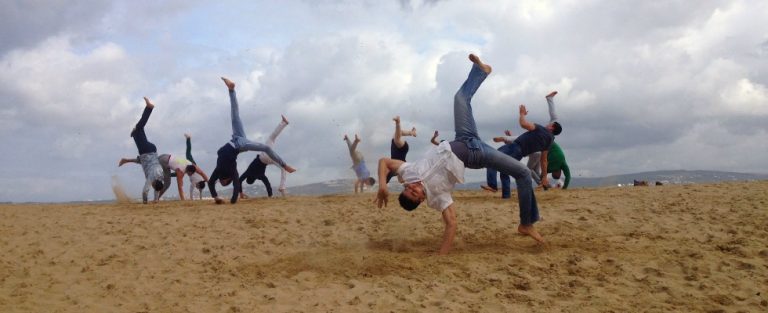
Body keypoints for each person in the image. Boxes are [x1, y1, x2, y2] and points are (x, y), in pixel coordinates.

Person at [375, 54, 544, 255]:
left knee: (460, 98)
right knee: (524, 173)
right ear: (421, 200)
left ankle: (481, 71)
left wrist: (383, 186)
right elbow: (451, 224)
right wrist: (441, 255)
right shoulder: (437, 197)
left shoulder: (408, 173)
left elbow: (384, 162)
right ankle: (526, 224)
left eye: (408, 189)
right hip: (477, 155)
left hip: (464, 137)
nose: (412, 188)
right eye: (414, 193)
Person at [208, 77, 296, 204]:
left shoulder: (226, 171)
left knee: (265, 147)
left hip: (238, 144)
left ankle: (284, 165)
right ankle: (231, 90)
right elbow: (226, 184)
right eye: (223, 183)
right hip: (236, 141)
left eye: (222, 183)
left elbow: (233, 184)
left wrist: (224, 199)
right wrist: (218, 197)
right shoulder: (223, 170)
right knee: (235, 115)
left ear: (226, 180)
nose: (221, 183)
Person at [482, 91, 562, 198]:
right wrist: (544, 177)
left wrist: (522, 114)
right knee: (505, 170)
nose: (548, 124)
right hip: (520, 154)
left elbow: (523, 124)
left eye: (550, 124)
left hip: (514, 147)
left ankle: (492, 185)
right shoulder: (550, 141)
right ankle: (506, 196)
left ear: (552, 127)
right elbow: (544, 160)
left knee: (492, 158)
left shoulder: (541, 129)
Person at [117, 97, 165, 204]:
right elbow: (145, 191)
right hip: (145, 151)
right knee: (138, 128)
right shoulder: (152, 178)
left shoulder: (160, 178)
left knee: (139, 129)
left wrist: (156, 199)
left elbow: (142, 162)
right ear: (154, 183)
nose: (152, 186)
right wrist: (145, 202)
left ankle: (134, 134)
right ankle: (149, 108)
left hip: (151, 152)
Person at [239, 115, 290, 199]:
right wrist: (240, 192)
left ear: (254, 180)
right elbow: (239, 180)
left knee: (283, 168)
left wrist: (270, 195)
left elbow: (267, 184)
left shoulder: (260, 176)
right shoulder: (248, 172)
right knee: (271, 138)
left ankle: (282, 189)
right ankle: (283, 123)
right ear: (248, 178)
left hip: (268, 161)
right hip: (264, 156)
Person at [385, 116, 417, 183]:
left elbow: (401, 179)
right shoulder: (400, 168)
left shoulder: (392, 168)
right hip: (401, 150)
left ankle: (411, 132)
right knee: (397, 137)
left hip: (397, 147)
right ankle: (399, 123)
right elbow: (402, 180)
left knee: (397, 135)